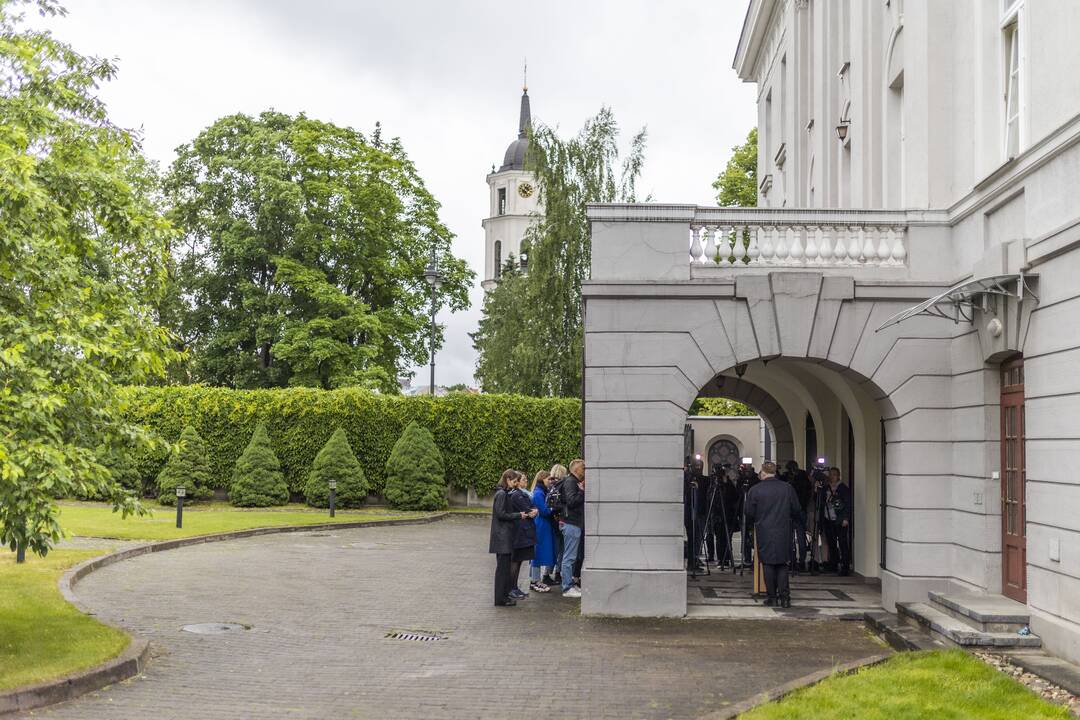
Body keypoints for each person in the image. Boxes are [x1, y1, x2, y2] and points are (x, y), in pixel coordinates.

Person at [744, 460, 802, 608]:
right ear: (775, 472)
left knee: (768, 564)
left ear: (763, 473)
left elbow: (749, 512)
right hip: (783, 530)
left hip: (764, 530)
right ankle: (785, 598)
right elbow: (796, 509)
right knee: (782, 564)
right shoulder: (787, 488)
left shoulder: (755, 490)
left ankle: (772, 597)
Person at [490, 469, 535, 607]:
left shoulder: (504, 493)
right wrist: (518, 515)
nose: (515, 484)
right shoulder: (502, 494)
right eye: (514, 481)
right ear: (507, 480)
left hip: (504, 537)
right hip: (502, 538)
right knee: (502, 570)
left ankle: (504, 596)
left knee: (504, 569)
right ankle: (500, 599)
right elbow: (501, 514)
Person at [508, 471, 537, 599]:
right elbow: (528, 510)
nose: (526, 481)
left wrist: (533, 511)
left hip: (524, 531)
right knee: (515, 561)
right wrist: (532, 511)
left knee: (519, 561)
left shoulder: (522, 494)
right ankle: (511, 588)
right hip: (519, 533)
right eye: (523, 479)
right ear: (517, 482)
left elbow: (533, 509)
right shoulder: (516, 495)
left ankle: (515, 587)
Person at [559, 458, 585, 598]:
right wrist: (581, 491)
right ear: (575, 470)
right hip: (571, 523)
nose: (585, 471)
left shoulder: (573, 482)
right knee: (569, 557)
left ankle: (570, 584)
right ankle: (567, 588)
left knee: (571, 556)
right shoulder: (570, 482)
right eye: (583, 468)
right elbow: (571, 501)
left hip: (572, 523)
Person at [528, 470, 556, 592]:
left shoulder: (542, 491)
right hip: (540, 526)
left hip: (543, 525)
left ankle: (536, 580)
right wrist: (553, 509)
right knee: (537, 553)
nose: (550, 481)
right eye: (548, 479)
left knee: (538, 552)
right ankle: (535, 580)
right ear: (542, 479)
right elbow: (544, 511)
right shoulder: (539, 493)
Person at [822, 467, 852, 576]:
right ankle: (833, 564)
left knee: (843, 543)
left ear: (838, 476)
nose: (832, 476)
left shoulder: (843, 488)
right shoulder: (825, 487)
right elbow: (820, 501)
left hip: (840, 519)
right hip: (828, 518)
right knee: (831, 543)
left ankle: (845, 566)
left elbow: (848, 504)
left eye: (834, 474)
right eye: (830, 474)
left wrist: (846, 518)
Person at [784, 460, 813, 572]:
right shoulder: (803, 476)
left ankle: (793, 560)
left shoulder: (792, 478)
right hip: (800, 509)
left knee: (791, 537)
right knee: (800, 536)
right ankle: (801, 560)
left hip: (793, 510)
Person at [547, 464, 568, 587]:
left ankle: (548, 572)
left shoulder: (549, 485)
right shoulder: (562, 485)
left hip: (552, 520)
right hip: (561, 519)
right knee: (562, 549)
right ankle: (558, 573)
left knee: (554, 548)